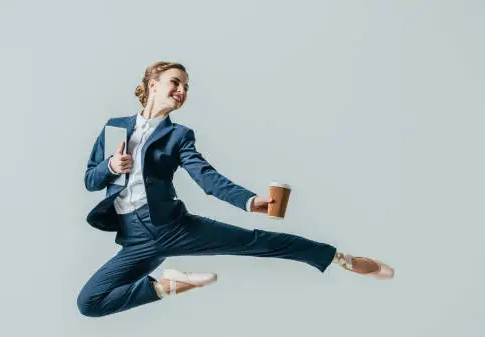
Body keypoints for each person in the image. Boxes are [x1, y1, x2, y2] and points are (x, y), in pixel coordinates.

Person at [77, 61, 394, 318]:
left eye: (186, 86)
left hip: (170, 226)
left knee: (254, 242)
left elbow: (205, 175)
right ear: (153, 83)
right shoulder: (115, 128)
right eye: (175, 82)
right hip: (135, 239)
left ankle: (340, 258)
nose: (182, 90)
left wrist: (248, 200)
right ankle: (166, 286)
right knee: (89, 303)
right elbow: (92, 180)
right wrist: (110, 167)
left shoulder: (179, 135)